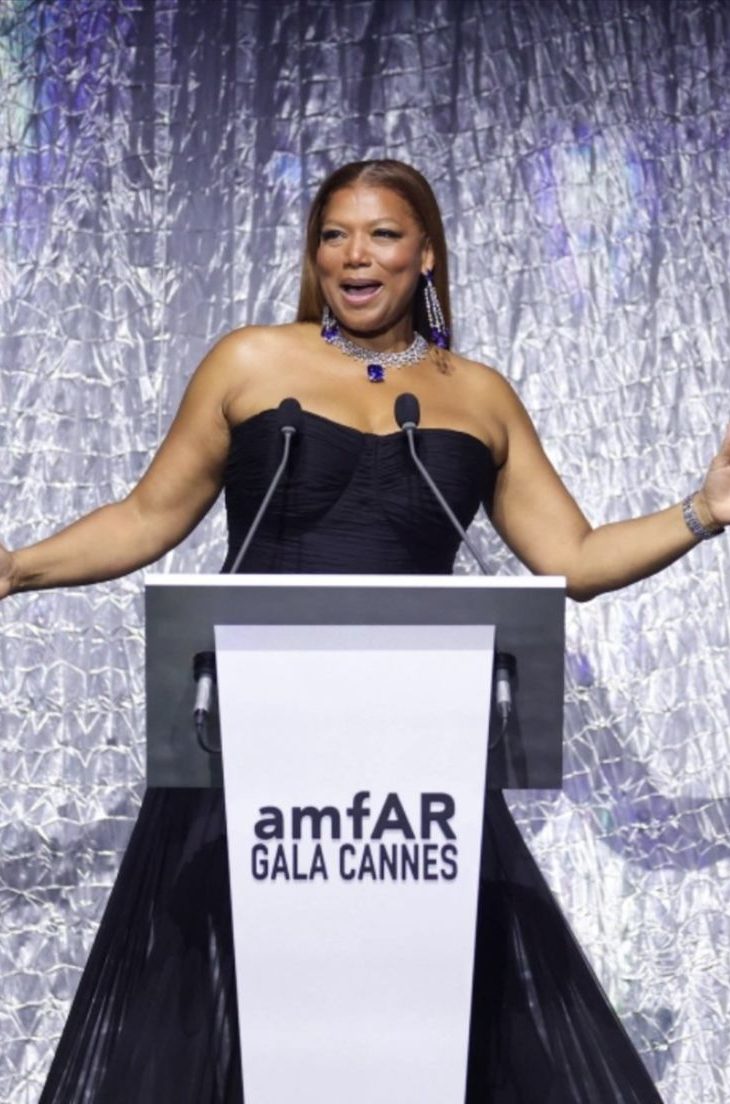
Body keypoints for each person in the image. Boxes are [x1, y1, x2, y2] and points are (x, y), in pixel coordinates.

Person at [2, 159, 727, 1102]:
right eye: (336, 233)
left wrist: (704, 512)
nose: (356, 254)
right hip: (248, 746)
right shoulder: (251, 361)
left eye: (383, 234)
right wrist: (13, 569)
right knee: (228, 1014)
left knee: (415, 1020)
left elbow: (576, 561)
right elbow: (147, 517)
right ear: (315, 254)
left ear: (423, 253)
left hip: (413, 756)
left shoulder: (478, 394)